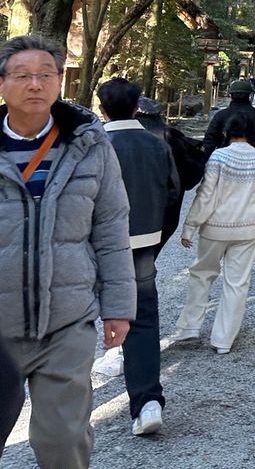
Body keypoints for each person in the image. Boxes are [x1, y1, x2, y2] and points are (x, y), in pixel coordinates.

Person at [0, 35, 135, 467]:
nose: (35, 84)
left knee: (62, 439)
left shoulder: (90, 145)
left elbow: (112, 229)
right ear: (2, 84)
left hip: (67, 318)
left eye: (45, 75)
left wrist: (118, 307)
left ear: (61, 81)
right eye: (22, 75)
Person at [99, 77, 180, 437]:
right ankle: (147, 401)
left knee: (79, 318)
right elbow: (174, 192)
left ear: (102, 108)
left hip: (96, 245)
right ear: (137, 107)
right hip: (143, 243)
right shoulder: (156, 143)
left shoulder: (94, 144)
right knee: (144, 319)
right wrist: (157, 235)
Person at [174, 111, 255, 354]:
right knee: (237, 283)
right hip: (248, 227)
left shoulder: (219, 156)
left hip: (216, 227)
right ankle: (223, 340)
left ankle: (190, 328)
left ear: (226, 133)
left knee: (202, 274)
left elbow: (205, 195)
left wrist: (190, 227)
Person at [137, 96, 206, 254]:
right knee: (146, 260)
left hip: (125, 215)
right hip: (164, 214)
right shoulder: (171, 137)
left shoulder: (117, 138)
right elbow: (191, 177)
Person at [203, 78, 255, 162]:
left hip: (224, 159)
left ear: (231, 95)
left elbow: (210, 139)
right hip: (251, 160)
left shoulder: (220, 115)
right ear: (249, 95)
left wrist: (205, 159)